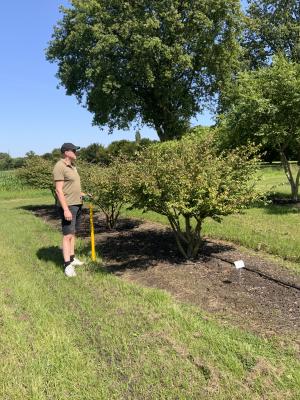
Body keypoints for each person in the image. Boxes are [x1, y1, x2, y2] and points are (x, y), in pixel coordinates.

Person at [53, 142, 84, 277]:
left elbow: (72, 186)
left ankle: (72, 258)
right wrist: (65, 209)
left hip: (77, 204)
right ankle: (67, 265)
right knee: (67, 235)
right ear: (66, 152)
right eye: (74, 150)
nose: (76, 153)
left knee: (73, 233)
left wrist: (82, 194)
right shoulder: (60, 166)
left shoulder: (73, 167)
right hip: (68, 206)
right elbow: (59, 190)